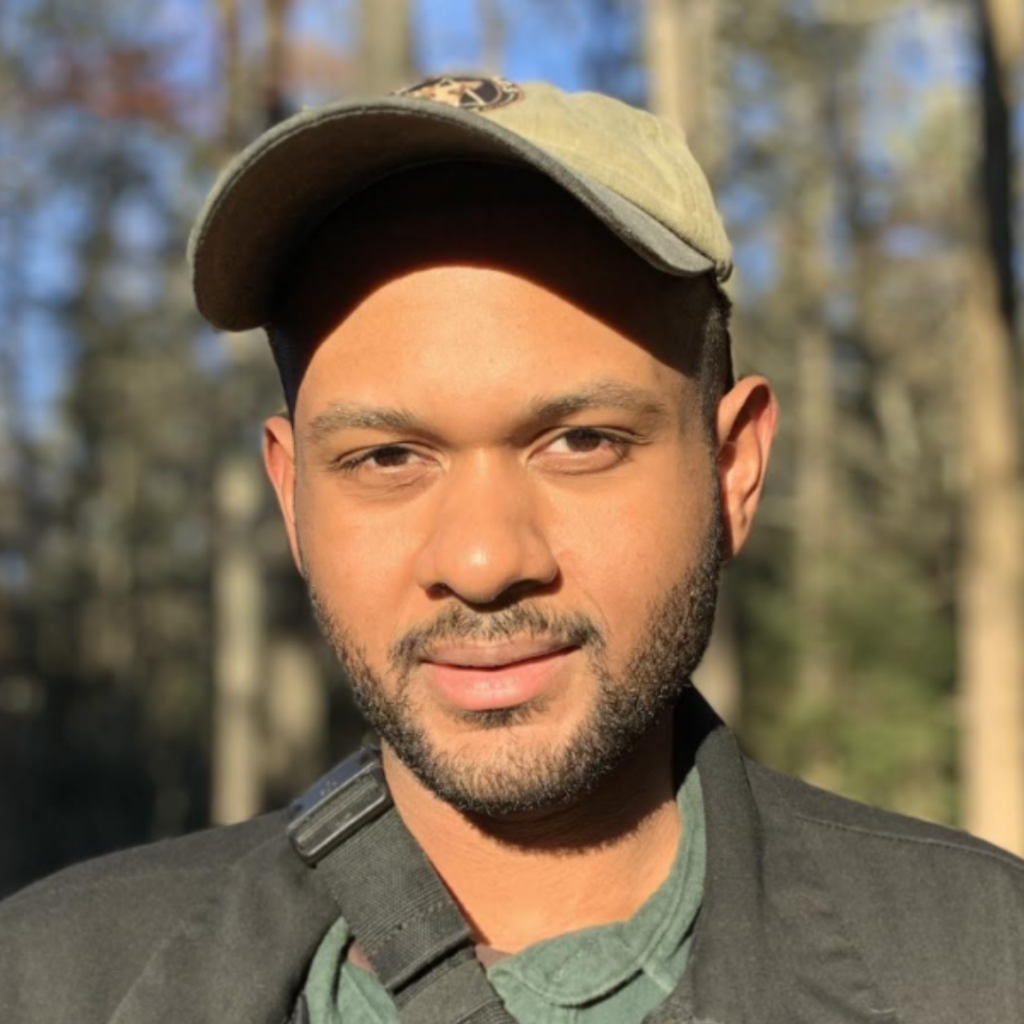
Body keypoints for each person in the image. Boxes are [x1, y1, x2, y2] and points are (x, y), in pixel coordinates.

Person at [2, 74, 1022, 1024]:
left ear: (732, 470)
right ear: (293, 497)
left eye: (581, 443)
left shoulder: (984, 964)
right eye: (387, 457)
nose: (484, 562)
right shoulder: (51, 979)